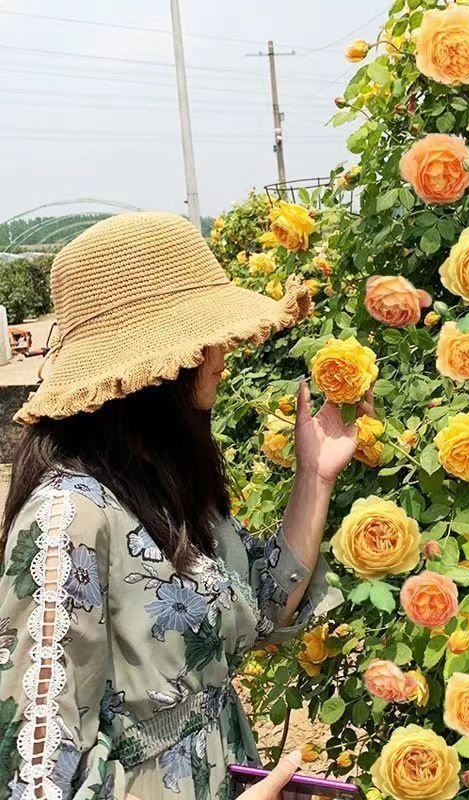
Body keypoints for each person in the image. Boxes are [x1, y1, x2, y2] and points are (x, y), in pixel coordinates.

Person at [0, 213, 369, 800]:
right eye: (205, 336)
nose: (220, 351)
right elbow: (34, 780)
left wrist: (314, 477)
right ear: (155, 371)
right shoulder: (69, 519)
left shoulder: (162, 486)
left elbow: (264, 607)